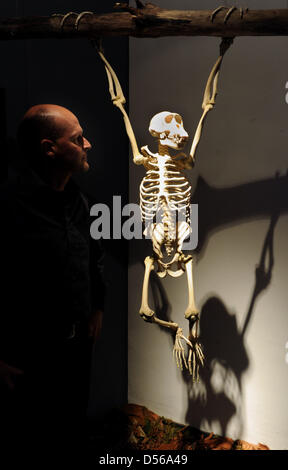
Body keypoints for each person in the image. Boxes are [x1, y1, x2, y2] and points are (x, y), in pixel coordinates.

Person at [0, 104, 105, 455]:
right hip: (29, 362)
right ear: (50, 149)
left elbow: (93, 259)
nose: (87, 144)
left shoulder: (82, 203)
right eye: (77, 139)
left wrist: (97, 307)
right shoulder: (10, 208)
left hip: (76, 354)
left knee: (71, 435)